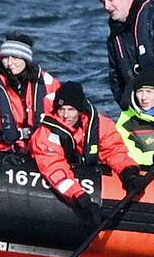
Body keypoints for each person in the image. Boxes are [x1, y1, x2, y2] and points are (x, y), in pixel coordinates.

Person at [29, 81, 143, 225]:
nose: (65, 115)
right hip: (64, 181)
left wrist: (129, 173)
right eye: (61, 109)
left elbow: (114, 151)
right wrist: (81, 200)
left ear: (80, 109)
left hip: (86, 171)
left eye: (71, 109)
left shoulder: (100, 124)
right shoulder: (46, 135)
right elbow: (55, 169)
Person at [0, 33, 59, 150]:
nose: (10, 63)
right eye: (5, 58)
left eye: (15, 58)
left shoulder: (48, 83)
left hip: (42, 148)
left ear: (25, 59)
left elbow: (66, 116)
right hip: (3, 148)